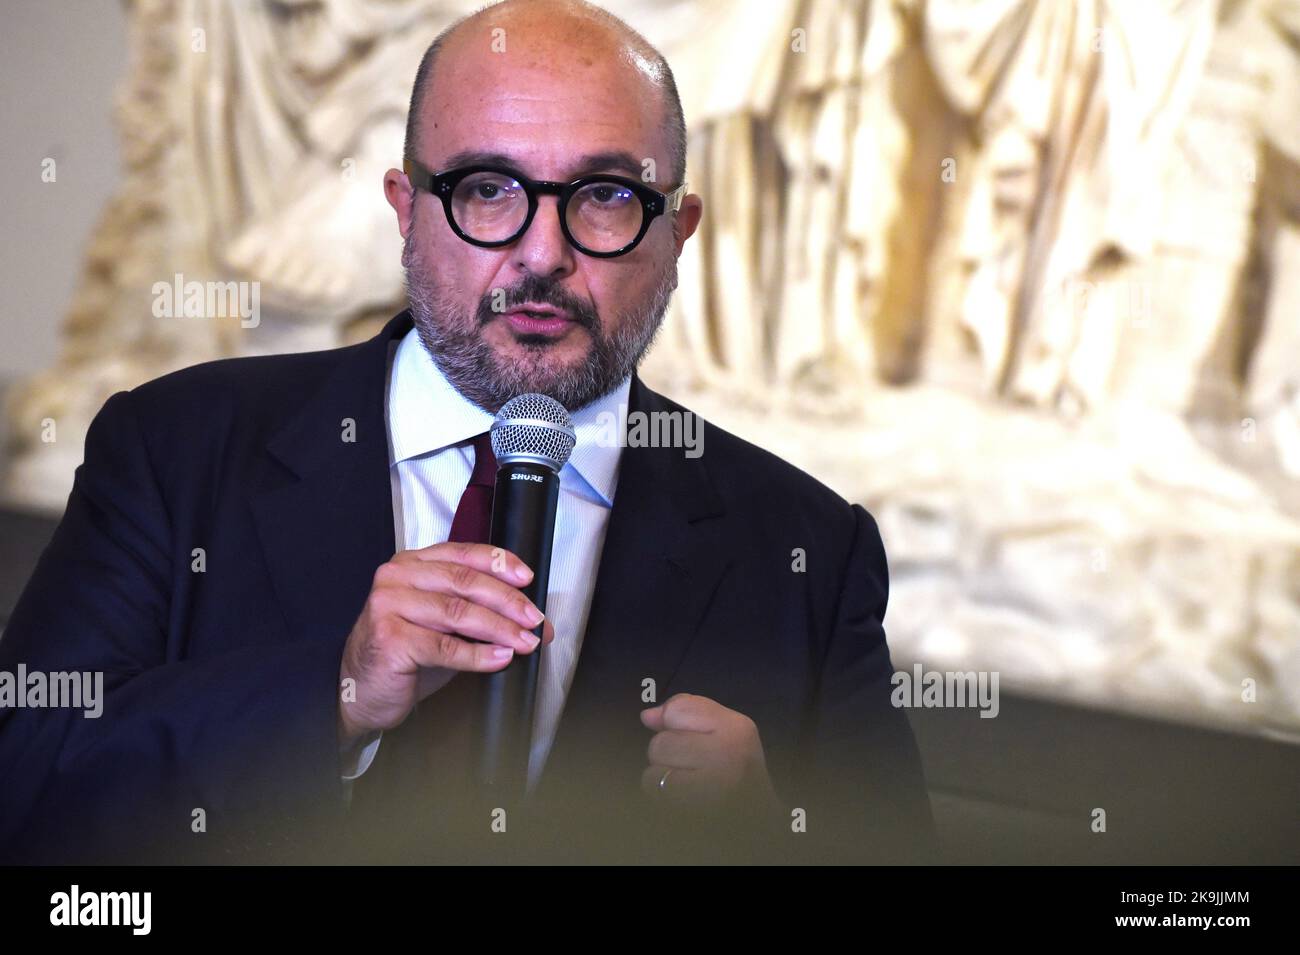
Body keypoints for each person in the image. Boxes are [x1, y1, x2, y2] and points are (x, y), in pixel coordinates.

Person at [0, 0, 931, 864]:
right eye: (488, 189)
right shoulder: (175, 448)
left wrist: (767, 829)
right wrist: (335, 694)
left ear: (678, 232)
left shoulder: (810, 549)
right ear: (406, 212)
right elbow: (25, 777)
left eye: (606, 195)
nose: (542, 252)